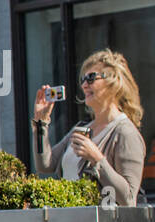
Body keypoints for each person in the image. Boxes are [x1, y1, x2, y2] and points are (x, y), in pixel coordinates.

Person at [32, 48, 146, 205]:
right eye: (83, 79)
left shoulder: (124, 132)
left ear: (114, 82)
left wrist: (97, 159)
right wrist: (41, 123)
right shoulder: (81, 128)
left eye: (91, 78)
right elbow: (45, 165)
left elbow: (128, 198)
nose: (84, 85)